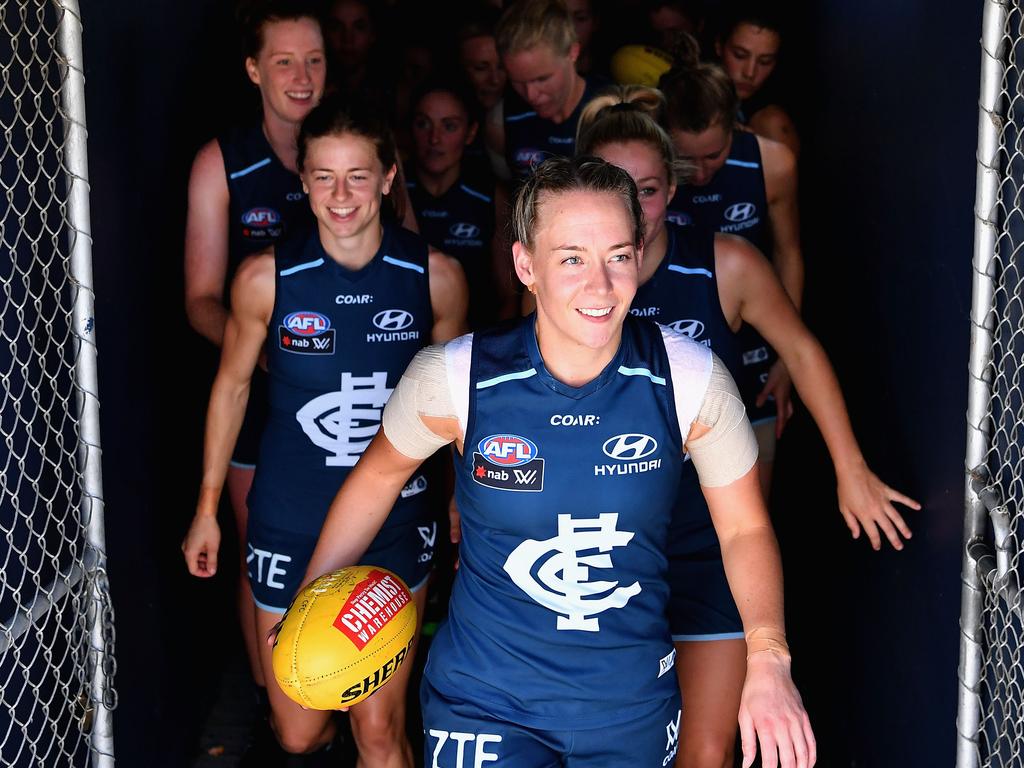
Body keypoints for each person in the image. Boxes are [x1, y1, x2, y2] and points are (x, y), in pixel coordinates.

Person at [287, 155, 816, 768]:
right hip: (483, 698)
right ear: (524, 265)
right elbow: (377, 478)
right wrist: (308, 594)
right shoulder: (455, 379)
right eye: (571, 259)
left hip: (629, 703)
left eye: (618, 255)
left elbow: (745, 527)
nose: (600, 285)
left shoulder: (691, 378)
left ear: (640, 256)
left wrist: (769, 659)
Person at [574, 85, 920, 768]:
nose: (632, 209)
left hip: (708, 539)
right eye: (613, 189)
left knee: (706, 752)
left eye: (645, 189)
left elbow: (803, 351)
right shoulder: (565, 285)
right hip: (602, 544)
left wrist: (849, 470)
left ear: (669, 190)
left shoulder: (724, 263)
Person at [182, 97, 468, 765]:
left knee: (379, 731)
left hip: (396, 526)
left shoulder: (436, 278)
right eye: (325, 176)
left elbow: (463, 407)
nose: (342, 195)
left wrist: (460, 498)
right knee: (300, 727)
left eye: (359, 175)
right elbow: (231, 388)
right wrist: (206, 510)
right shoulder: (263, 280)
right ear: (303, 181)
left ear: (389, 177)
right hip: (289, 522)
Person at [183, 0, 326, 704]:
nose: (301, 78)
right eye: (283, 62)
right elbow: (201, 298)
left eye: (314, 60)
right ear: (252, 69)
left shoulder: (355, 148)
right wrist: (267, 352)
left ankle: (347, 696)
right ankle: (282, 709)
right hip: (265, 397)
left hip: (355, 394)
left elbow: (410, 263)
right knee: (263, 560)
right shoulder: (224, 163)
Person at [660, 43, 801, 493]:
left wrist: (785, 359)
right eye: (686, 160)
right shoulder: (644, 172)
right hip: (673, 342)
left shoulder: (772, 162)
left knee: (753, 502)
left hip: (751, 345)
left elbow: (790, 254)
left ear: (733, 127)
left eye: (713, 155)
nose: (699, 173)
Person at [406, 77, 515, 326]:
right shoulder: (392, 191)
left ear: (471, 132)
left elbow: (509, 298)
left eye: (449, 126)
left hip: (475, 339)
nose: (434, 139)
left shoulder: (490, 195)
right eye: (423, 124)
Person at [486, 0, 598, 180]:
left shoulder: (614, 111)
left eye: (542, 79)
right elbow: (504, 195)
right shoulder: (500, 122)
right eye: (517, 81)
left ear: (573, 51)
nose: (531, 95)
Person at [714, 2, 799, 156]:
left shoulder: (772, 123)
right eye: (739, 55)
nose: (750, 72)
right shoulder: (691, 93)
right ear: (719, 46)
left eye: (765, 61)